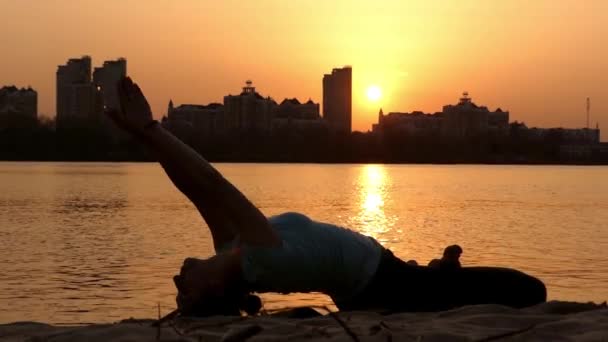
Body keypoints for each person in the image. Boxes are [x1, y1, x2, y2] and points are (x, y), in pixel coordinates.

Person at [107, 77, 547, 316]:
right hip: (386, 286)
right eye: (188, 295)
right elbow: (217, 183)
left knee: (448, 286)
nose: (177, 283)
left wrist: (145, 140)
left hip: (383, 277)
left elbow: (195, 186)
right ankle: (442, 275)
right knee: (531, 290)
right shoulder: (262, 260)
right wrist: (152, 129)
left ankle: (441, 273)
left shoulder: (231, 248)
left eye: (178, 293)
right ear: (217, 288)